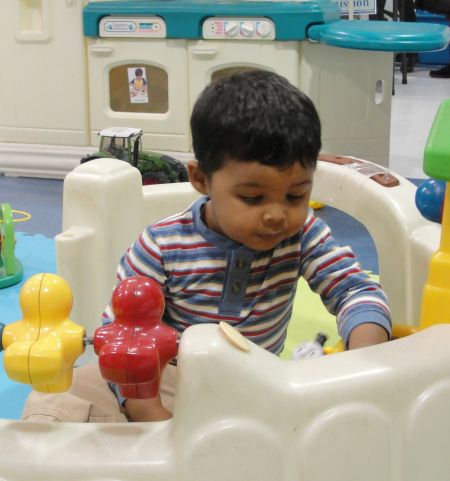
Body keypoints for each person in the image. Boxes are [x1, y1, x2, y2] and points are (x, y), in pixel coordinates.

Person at [22, 70, 392, 423]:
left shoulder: (303, 235)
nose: (276, 215)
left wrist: (361, 365)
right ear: (201, 179)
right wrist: (145, 409)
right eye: (252, 197)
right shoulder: (161, 245)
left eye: (295, 196)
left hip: (258, 386)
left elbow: (355, 290)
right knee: (55, 398)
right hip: (167, 381)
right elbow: (124, 337)